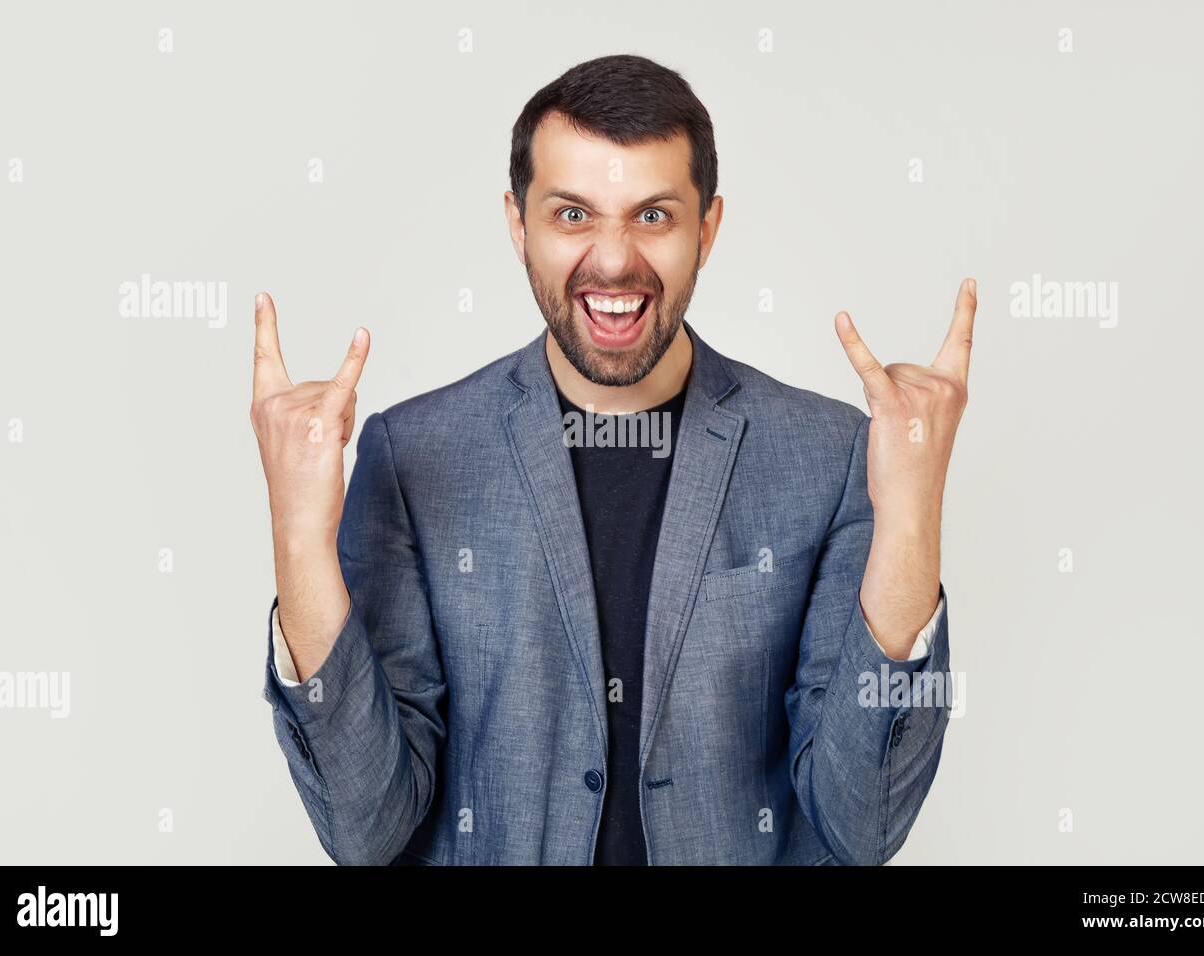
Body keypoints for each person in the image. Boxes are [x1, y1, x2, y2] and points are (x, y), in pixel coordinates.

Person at [250, 54, 972, 865]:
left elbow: (860, 822)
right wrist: (298, 540)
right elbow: (365, 829)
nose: (615, 260)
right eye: (572, 215)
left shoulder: (830, 455)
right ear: (518, 225)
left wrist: (912, 516)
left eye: (654, 216)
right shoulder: (411, 455)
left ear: (709, 228)